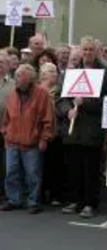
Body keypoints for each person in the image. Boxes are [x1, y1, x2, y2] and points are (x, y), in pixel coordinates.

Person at [59, 36, 107, 218]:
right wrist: (68, 110)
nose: (87, 53)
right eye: (84, 49)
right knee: (74, 166)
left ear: (97, 51)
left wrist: (87, 102)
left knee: (90, 168)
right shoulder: (72, 73)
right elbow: (61, 99)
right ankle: (76, 200)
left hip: (92, 128)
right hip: (73, 128)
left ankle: (90, 203)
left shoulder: (104, 74)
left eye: (91, 49)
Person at [0, 64, 54, 214]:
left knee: (33, 174)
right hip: (12, 141)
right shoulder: (12, 94)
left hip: (32, 142)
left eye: (20, 75)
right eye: (16, 75)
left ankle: (33, 201)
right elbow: (6, 118)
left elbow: (47, 119)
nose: (16, 78)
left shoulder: (42, 94)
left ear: (29, 78)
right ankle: (14, 199)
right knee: (11, 172)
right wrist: (5, 133)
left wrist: (44, 138)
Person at [39, 63, 62, 205]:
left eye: (55, 71)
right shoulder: (36, 90)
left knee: (55, 166)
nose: (54, 74)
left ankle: (56, 195)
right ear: (43, 74)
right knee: (39, 166)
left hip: (57, 132)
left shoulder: (60, 90)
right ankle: (40, 194)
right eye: (51, 71)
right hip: (39, 133)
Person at [0, 52, 15, 196]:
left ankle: (4, 192)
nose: (0, 65)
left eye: (2, 62)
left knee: (6, 164)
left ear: (8, 66)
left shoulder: (13, 85)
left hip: (6, 129)